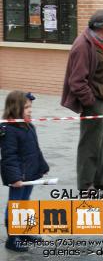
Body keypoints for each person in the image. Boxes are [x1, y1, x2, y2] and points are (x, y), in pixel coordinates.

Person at [61, 10, 103, 192]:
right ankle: (86, 184)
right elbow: (77, 81)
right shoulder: (83, 45)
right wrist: (90, 102)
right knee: (90, 145)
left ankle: (99, 179)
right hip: (94, 102)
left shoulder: (98, 42)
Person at [1, 91, 49, 252]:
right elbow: (9, 156)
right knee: (15, 205)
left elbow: (35, 150)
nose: (30, 110)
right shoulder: (8, 130)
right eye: (26, 107)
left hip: (30, 175)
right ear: (15, 108)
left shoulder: (29, 126)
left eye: (30, 107)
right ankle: (12, 239)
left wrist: (41, 167)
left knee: (25, 203)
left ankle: (24, 232)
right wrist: (14, 177)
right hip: (18, 178)